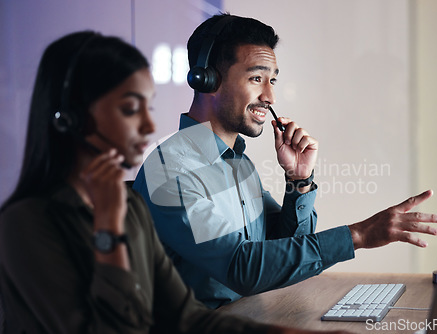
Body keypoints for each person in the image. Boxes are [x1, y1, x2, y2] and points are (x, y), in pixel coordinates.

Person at [0, 30, 354, 334]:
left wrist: (299, 181)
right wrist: (110, 231)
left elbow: (188, 317)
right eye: (129, 109)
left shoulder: (131, 210)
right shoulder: (24, 224)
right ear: (70, 119)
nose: (149, 127)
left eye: (147, 108)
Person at [133, 13, 437, 309]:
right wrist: (358, 235)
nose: (270, 97)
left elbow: (282, 250)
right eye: (257, 78)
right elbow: (242, 268)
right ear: (208, 80)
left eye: (273, 81)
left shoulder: (237, 164)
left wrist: (299, 181)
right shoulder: (170, 170)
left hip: (250, 314)